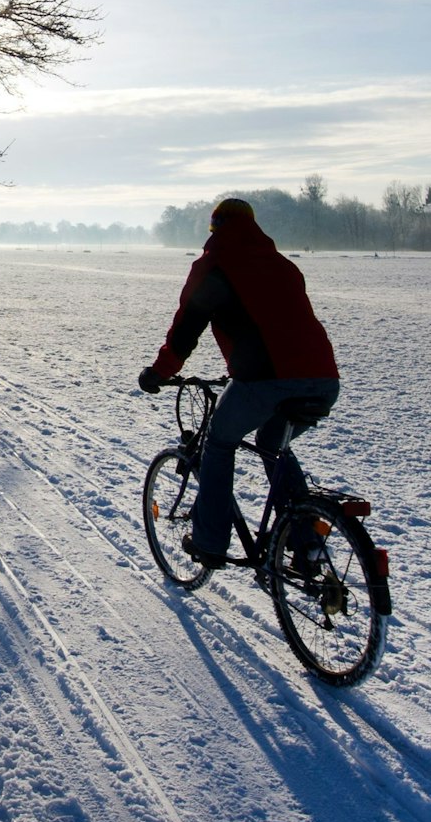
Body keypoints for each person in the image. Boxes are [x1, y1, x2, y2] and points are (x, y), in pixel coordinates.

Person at [137, 197, 341, 568]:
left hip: (266, 380)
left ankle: (209, 542)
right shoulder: (283, 265)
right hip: (324, 380)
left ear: (214, 228)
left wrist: (159, 372)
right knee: (272, 443)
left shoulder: (216, 265)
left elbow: (187, 327)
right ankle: (304, 537)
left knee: (218, 442)